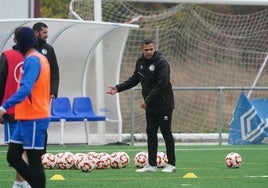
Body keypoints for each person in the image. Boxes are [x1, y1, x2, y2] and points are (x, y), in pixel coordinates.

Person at [107, 39, 176, 173]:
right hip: (151, 106)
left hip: (164, 104)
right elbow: (134, 79)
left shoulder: (162, 63)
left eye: (151, 49)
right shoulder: (140, 62)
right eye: (146, 50)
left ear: (154, 48)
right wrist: (118, 88)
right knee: (151, 133)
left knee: (166, 132)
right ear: (142, 50)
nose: (149, 52)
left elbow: (162, 84)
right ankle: (152, 165)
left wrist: (147, 100)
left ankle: (171, 164)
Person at [0, 27, 51, 188]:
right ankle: (30, 184)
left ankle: (35, 185)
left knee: (34, 159)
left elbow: (26, 88)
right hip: (24, 117)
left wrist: (4, 106)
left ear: (23, 41)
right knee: (13, 156)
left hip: (35, 117)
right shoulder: (35, 58)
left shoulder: (33, 60)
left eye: (19, 40)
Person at [0, 27, 31, 188]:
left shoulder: (7, 56)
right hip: (31, 110)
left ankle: (22, 182)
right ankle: (20, 182)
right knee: (24, 149)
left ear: (15, 40)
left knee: (18, 150)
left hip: (12, 110)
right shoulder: (35, 57)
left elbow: (1, 83)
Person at [33, 22, 60, 154]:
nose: (47, 35)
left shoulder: (48, 49)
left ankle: (42, 154)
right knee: (24, 124)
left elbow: (55, 71)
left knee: (41, 125)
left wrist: (53, 92)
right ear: (36, 32)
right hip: (27, 95)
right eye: (44, 32)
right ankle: (21, 154)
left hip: (43, 95)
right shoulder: (26, 48)